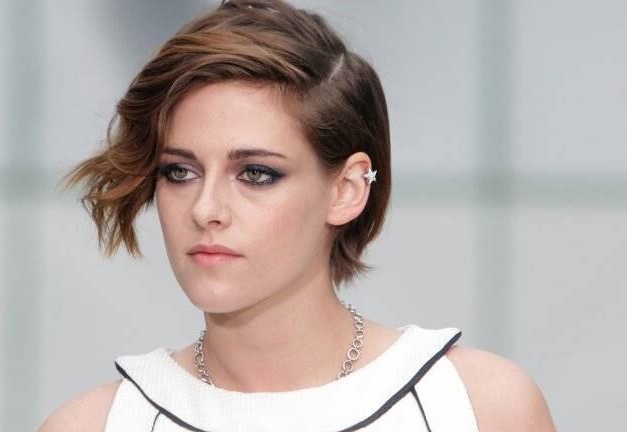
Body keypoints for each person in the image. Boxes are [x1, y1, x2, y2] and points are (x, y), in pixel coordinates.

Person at [39, 0, 556, 430]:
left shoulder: (477, 407)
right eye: (180, 171)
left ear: (347, 189)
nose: (205, 209)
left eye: (256, 173)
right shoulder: (95, 424)